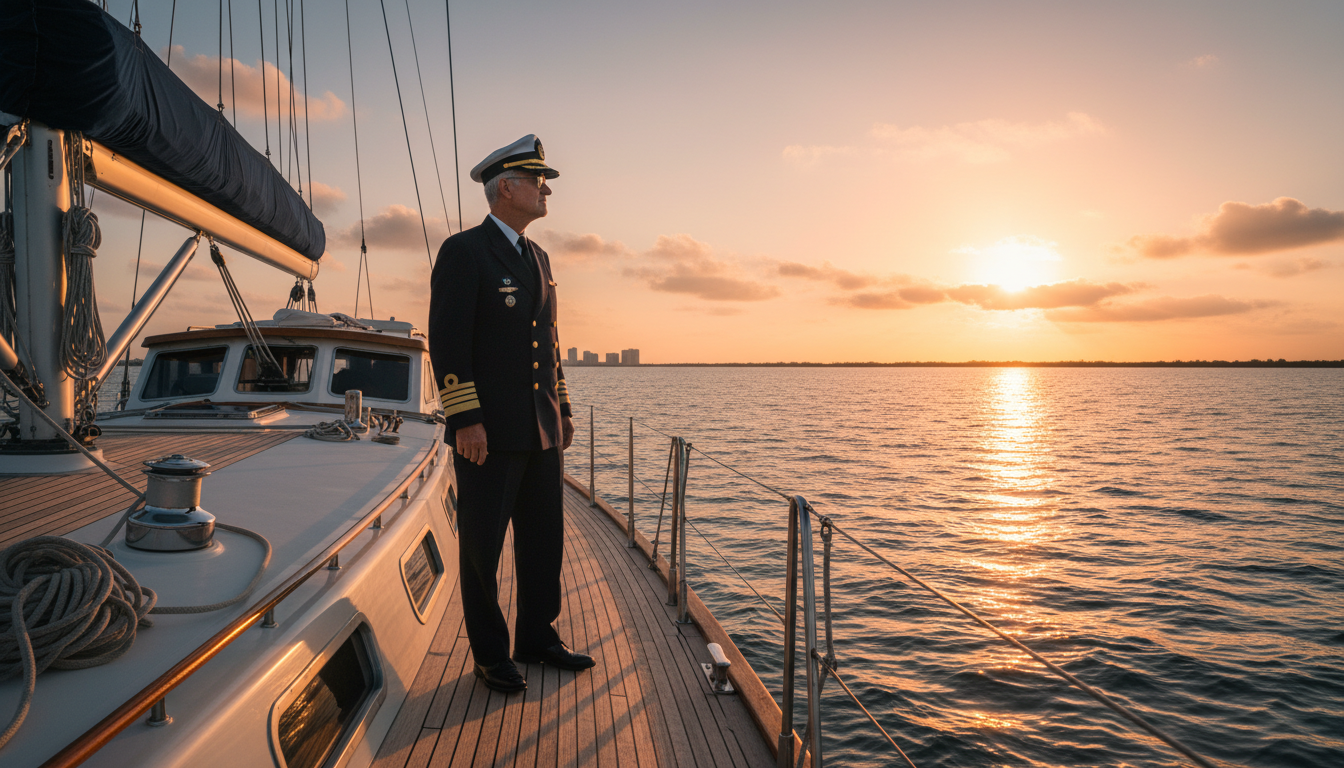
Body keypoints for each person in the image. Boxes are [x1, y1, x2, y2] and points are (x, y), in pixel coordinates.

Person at [428, 134, 591, 693]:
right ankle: (491, 654)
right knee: (483, 547)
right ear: (505, 187)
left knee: (544, 541)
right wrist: (464, 419)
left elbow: (549, 340)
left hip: (541, 428)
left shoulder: (539, 257)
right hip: (488, 434)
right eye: (537, 180)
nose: (546, 190)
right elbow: (448, 342)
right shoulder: (465, 252)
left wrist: (562, 409)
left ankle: (538, 637)